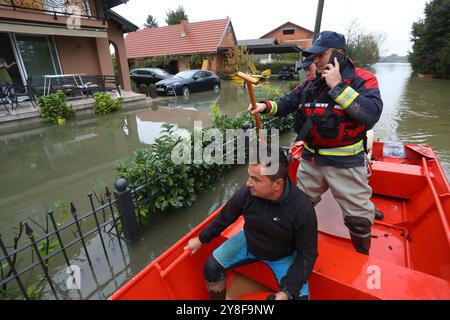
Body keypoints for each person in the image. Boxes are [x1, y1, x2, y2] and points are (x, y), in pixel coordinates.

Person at [249, 31, 383, 255]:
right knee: (298, 208)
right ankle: (295, 247)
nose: (315, 61)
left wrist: (338, 86)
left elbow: (371, 114)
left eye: (321, 55)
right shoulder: (310, 84)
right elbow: (286, 103)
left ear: (338, 55)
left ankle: (362, 255)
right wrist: (265, 106)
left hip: (346, 164)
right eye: (314, 56)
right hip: (311, 161)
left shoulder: (363, 79)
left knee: (358, 219)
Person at [184, 149, 318, 300]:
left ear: (277, 184)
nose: (248, 183)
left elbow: (307, 254)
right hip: (249, 242)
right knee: (211, 268)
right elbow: (225, 217)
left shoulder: (302, 209)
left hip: (282, 255)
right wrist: (201, 239)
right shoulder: (247, 192)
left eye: (256, 179)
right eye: (249, 176)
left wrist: (286, 292)